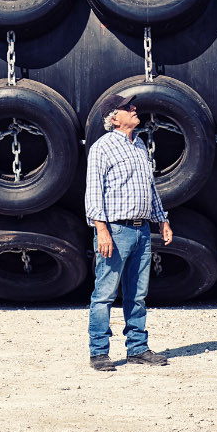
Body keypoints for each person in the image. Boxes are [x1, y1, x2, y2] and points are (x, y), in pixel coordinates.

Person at [84, 94, 173, 371]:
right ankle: (99, 353)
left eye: (132, 106)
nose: (134, 109)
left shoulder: (139, 146)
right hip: (116, 230)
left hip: (141, 230)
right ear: (113, 117)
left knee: (137, 294)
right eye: (127, 107)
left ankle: (138, 348)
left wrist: (162, 220)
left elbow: (150, 188)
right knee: (105, 294)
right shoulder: (102, 148)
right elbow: (93, 192)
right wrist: (102, 230)